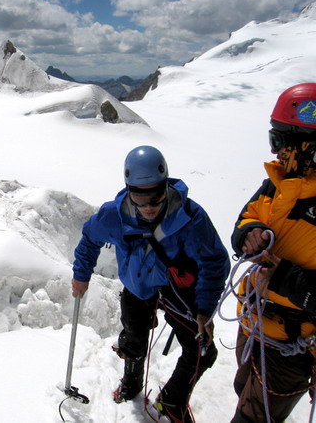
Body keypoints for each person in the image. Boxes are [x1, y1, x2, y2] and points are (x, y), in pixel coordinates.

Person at [72, 145, 230, 422]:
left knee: (202, 351)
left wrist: (204, 309)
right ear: (128, 190)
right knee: (134, 338)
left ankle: (170, 402)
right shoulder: (114, 215)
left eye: (155, 199)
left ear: (165, 187)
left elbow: (214, 262)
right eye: (139, 199)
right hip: (137, 286)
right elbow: (89, 240)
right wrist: (80, 274)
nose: (147, 208)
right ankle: (132, 382)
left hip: (176, 289)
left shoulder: (191, 218)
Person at [230, 83, 316, 423]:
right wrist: (248, 235)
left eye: (281, 140)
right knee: (244, 391)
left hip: (291, 347)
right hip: (254, 323)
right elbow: (248, 215)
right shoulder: (278, 182)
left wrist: (284, 278)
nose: (276, 150)